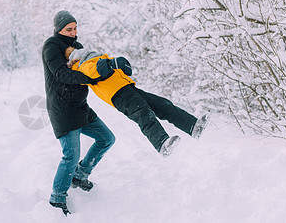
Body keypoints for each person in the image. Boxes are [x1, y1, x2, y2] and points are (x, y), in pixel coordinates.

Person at [65, 46, 209, 157]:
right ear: (75, 57)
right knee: (144, 114)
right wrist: (110, 64)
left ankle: (192, 126)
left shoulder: (95, 59)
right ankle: (161, 144)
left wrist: (121, 69)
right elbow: (96, 70)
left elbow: (106, 69)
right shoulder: (83, 66)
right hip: (118, 95)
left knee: (162, 105)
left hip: (128, 88)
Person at [42, 10, 115, 216]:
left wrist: (104, 72)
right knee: (71, 155)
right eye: (69, 29)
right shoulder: (52, 46)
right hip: (62, 108)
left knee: (107, 138)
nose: (73, 33)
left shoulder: (78, 47)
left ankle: (79, 176)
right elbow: (61, 73)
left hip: (80, 107)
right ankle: (57, 199)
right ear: (58, 29)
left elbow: (89, 69)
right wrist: (88, 78)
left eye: (75, 28)